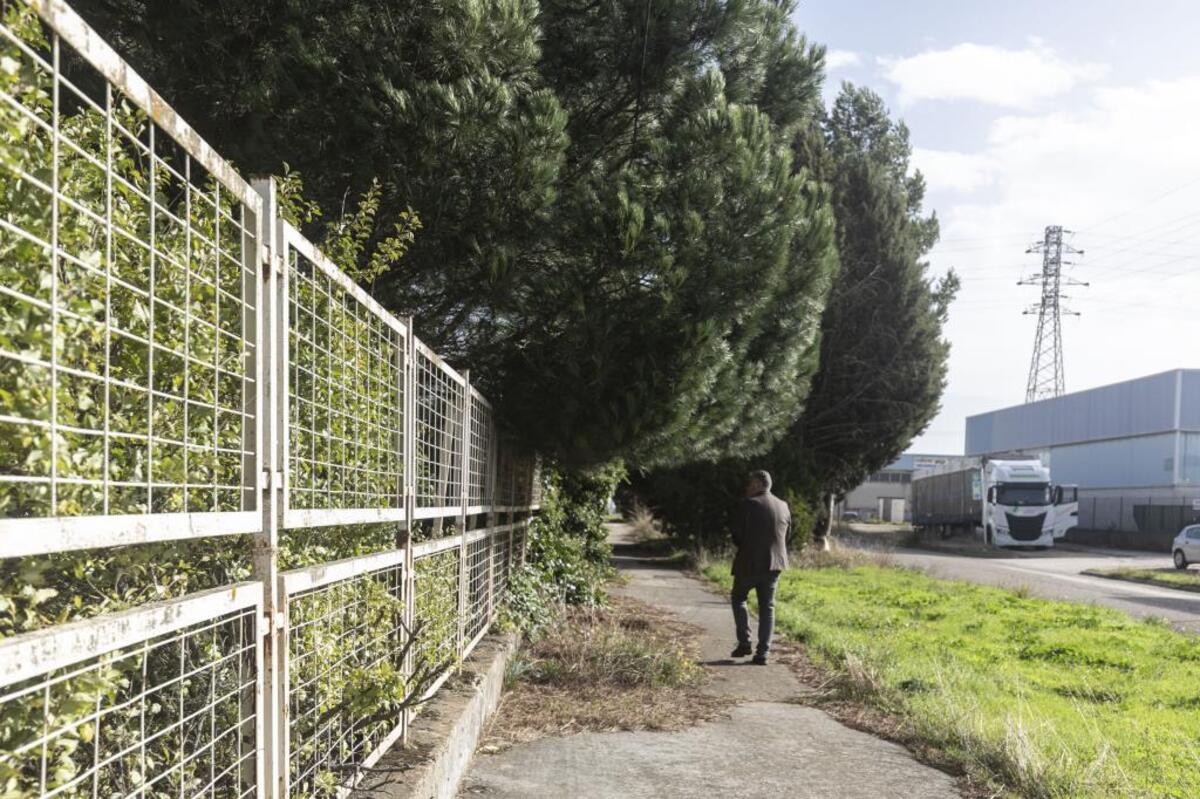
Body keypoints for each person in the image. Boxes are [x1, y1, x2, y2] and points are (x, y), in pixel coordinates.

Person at [729, 469, 791, 665]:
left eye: (749, 484)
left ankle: (744, 642)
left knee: (739, 598)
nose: (747, 488)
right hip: (775, 565)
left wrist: (747, 547)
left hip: (749, 563)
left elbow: (737, 535)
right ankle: (763, 653)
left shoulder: (748, 505)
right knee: (767, 607)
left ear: (757, 484)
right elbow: (787, 537)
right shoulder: (783, 505)